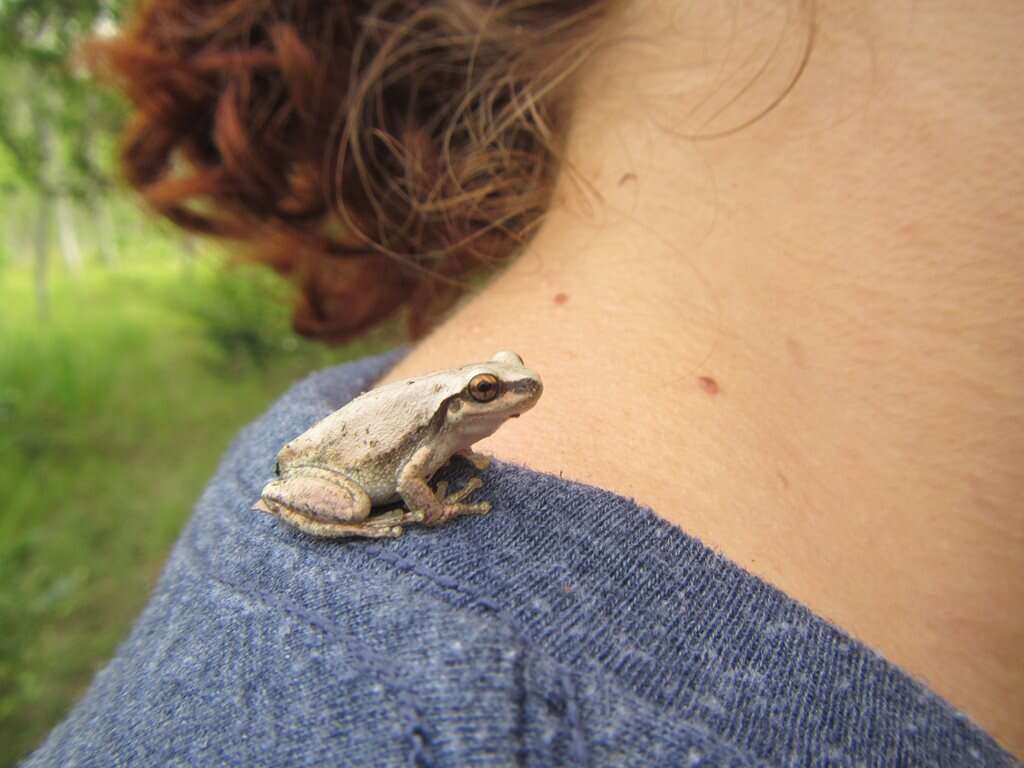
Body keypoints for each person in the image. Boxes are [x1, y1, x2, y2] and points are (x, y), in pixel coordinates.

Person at [27, 0, 1023, 764]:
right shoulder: (421, 718)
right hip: (350, 476)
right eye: (492, 396)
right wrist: (416, 512)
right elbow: (416, 475)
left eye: (497, 389)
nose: (509, 398)